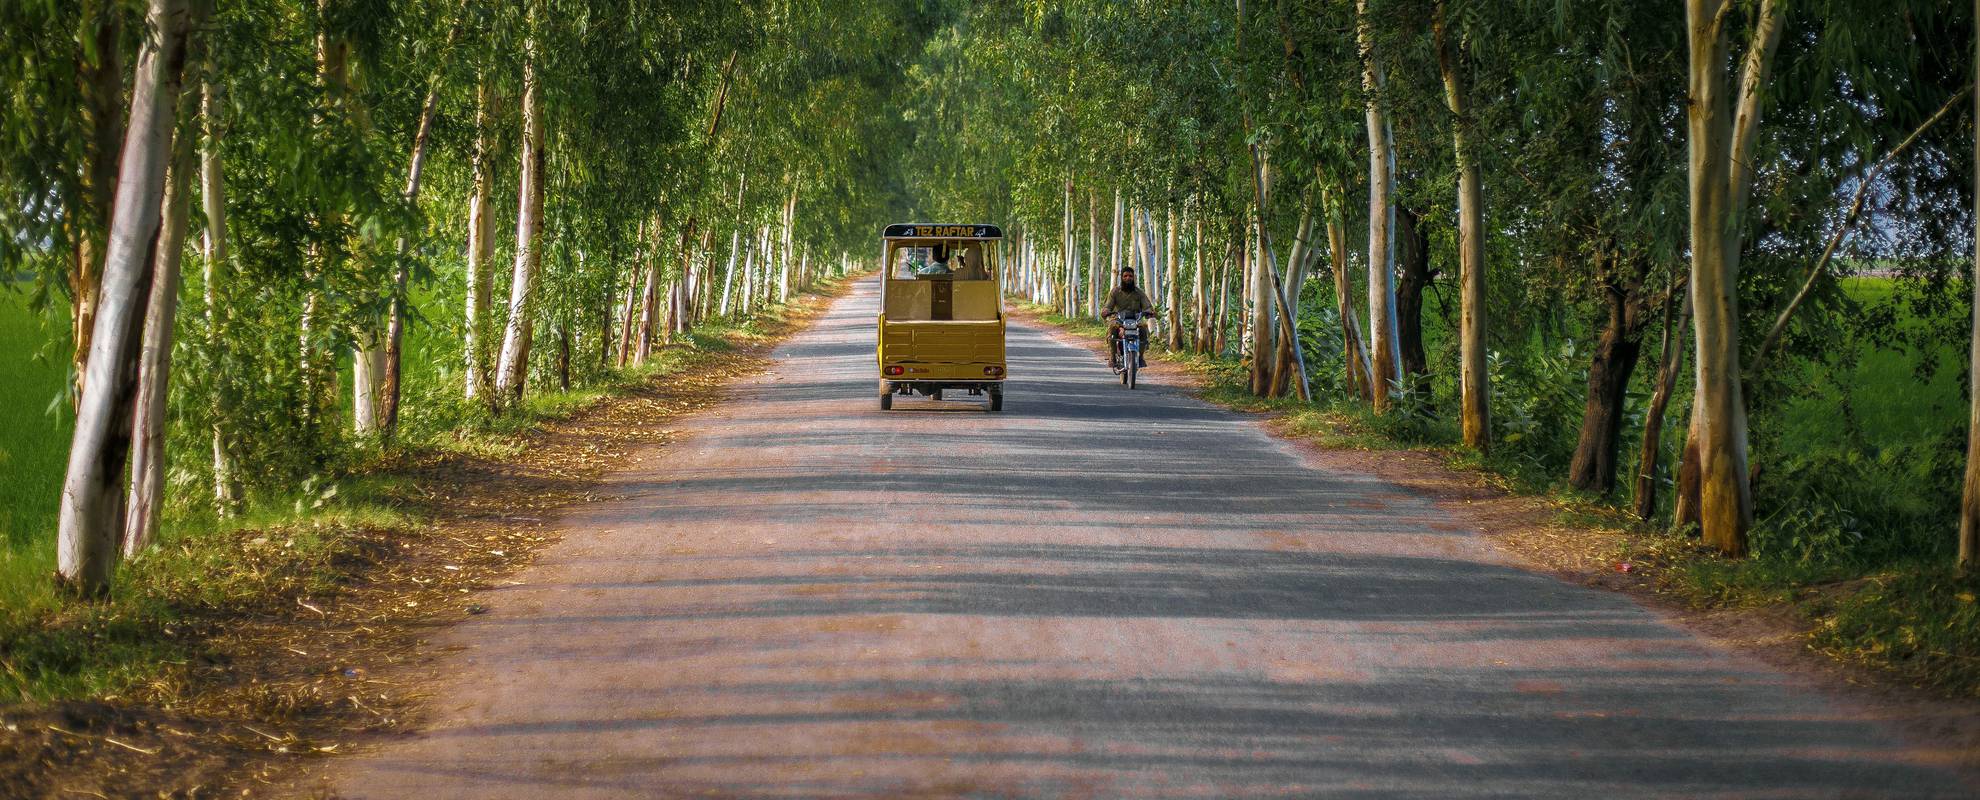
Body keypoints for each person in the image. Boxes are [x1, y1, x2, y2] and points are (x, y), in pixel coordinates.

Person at [1101, 266, 1156, 368]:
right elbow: (1107, 306)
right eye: (1125, 276)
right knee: (1112, 328)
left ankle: (1140, 357)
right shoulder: (1115, 292)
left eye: (1130, 276)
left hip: (1135, 320)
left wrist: (1150, 312)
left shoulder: (1139, 293)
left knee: (1143, 328)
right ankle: (1112, 356)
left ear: (1133, 278)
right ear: (1121, 277)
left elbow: (1147, 306)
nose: (1128, 278)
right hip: (1118, 319)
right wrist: (1106, 311)